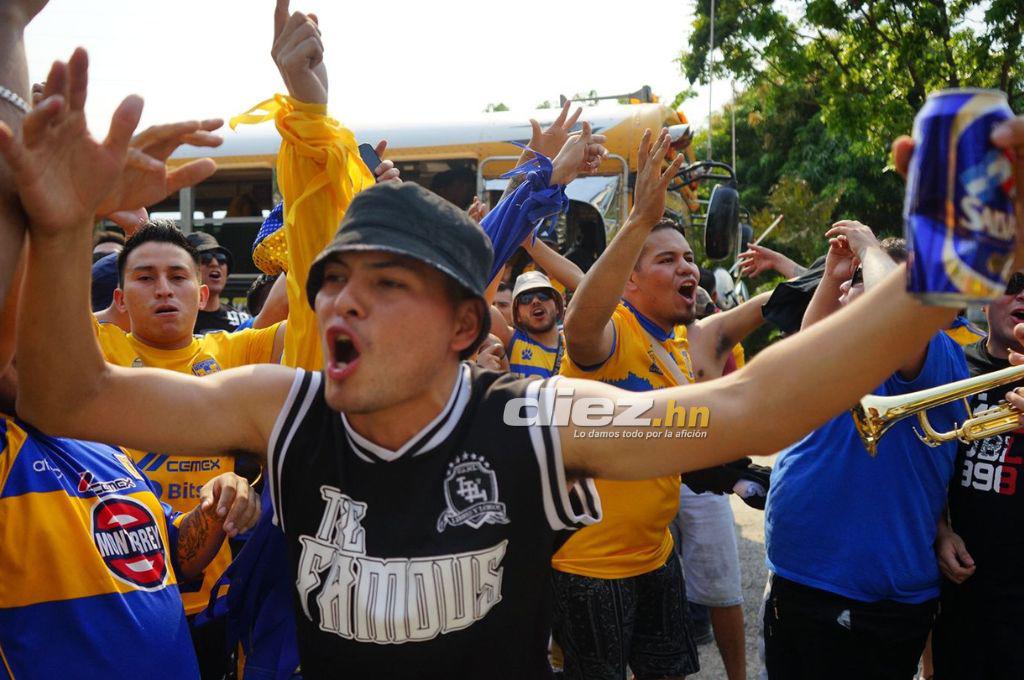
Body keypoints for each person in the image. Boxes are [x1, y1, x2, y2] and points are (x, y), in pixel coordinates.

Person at [9, 15, 1021, 680]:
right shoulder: (283, 404)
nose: (340, 301)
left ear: (464, 326)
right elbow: (69, 395)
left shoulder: (532, 421)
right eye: (333, 281)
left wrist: (944, 273)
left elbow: (745, 409)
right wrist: (59, 232)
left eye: (385, 284)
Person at [553, 207, 769, 679]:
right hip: (592, 569)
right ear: (629, 282)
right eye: (667, 260)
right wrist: (637, 223)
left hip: (656, 554)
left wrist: (730, 477)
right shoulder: (615, 334)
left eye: (688, 258)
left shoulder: (674, 344)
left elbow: (666, 443)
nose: (687, 268)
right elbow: (580, 330)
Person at [762, 220, 969, 680]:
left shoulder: (931, 347)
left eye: (862, 278)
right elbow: (809, 347)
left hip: (867, 601)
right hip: (800, 582)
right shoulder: (851, 352)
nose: (848, 289)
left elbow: (893, 317)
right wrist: (835, 273)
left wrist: (870, 248)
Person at [931, 269, 1024, 679]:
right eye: (1011, 285)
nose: (1023, 296)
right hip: (961, 592)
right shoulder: (954, 367)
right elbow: (922, 467)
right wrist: (941, 531)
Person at [187, 231, 252, 334]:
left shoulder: (243, 322)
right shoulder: (176, 321)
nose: (215, 263)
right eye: (205, 258)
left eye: (221, 258)